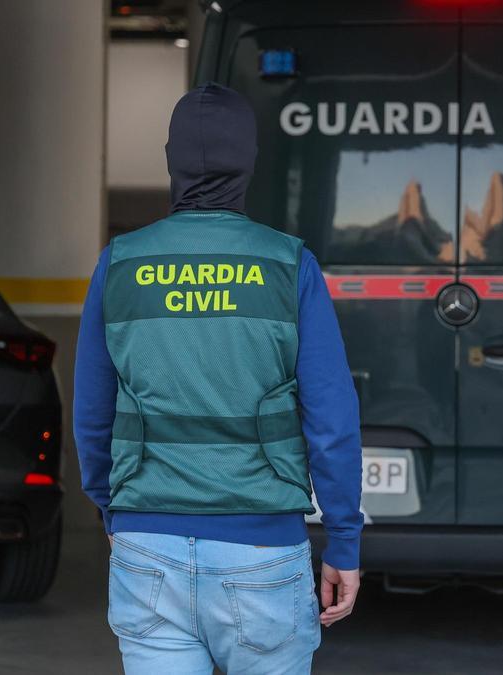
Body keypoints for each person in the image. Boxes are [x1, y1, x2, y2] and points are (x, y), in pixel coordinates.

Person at [74, 83, 363, 674]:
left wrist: (112, 510)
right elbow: (331, 417)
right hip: (261, 549)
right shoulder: (288, 264)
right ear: (250, 161)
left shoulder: (121, 262)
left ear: (172, 160)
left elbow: (92, 412)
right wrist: (343, 540)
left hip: (146, 545)